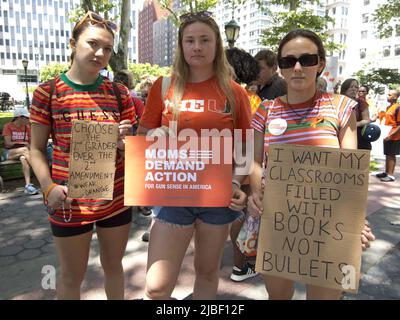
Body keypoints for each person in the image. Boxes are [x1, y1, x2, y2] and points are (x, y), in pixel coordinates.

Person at [248, 29, 375, 300]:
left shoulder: (342, 107)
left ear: (320, 64)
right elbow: (255, 162)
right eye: (287, 60)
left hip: (330, 223)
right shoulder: (265, 110)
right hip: (277, 218)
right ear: (280, 66)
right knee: (278, 296)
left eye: (306, 59)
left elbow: (349, 172)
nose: (297, 67)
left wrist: (356, 221)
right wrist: (255, 193)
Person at [137, 11, 251, 299]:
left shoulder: (234, 93)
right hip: (172, 195)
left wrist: (237, 184)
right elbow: (143, 135)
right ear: (181, 45)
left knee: (207, 271)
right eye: (190, 40)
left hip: (218, 198)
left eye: (204, 40)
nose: (197, 47)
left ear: (217, 46)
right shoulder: (164, 87)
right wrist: (154, 137)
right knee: (156, 287)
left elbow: (245, 148)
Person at [29, 11, 136, 299]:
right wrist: (48, 187)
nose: (100, 53)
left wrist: (125, 142)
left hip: (115, 198)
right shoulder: (48, 93)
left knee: (114, 266)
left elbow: (131, 148)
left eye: (108, 48)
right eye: (92, 44)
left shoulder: (119, 94)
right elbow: (36, 149)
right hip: (68, 201)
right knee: (71, 275)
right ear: (73, 44)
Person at [225, 47, 260, 282]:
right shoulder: (249, 99)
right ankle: (240, 265)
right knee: (241, 215)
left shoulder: (223, 94)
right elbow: (251, 140)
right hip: (240, 167)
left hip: (221, 166)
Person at [1, 108, 39, 194]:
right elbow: (8, 143)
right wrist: (23, 142)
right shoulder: (8, 126)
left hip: (23, 152)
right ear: (19, 117)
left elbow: (31, 142)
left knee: (23, 159)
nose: (28, 120)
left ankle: (28, 185)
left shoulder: (27, 127)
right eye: (26, 118)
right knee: (25, 150)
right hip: (8, 153)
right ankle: (40, 174)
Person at [340, 78, 375, 150]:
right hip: (339, 135)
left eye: (356, 87)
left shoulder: (360, 102)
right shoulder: (337, 100)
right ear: (345, 88)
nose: (354, 89)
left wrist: (354, 124)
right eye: (351, 86)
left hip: (357, 136)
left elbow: (366, 120)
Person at [375, 89, 400, 182]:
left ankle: (391, 175)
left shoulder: (398, 108)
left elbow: (399, 124)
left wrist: (392, 135)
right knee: (387, 153)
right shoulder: (388, 107)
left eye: (389, 95)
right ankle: (386, 172)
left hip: (395, 136)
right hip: (387, 134)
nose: (387, 96)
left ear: (395, 97)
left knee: (391, 154)